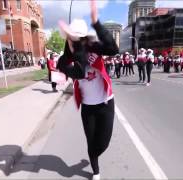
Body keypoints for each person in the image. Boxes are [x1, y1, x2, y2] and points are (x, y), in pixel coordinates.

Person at [57, 1, 118, 179]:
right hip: (88, 107)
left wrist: (96, 23)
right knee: (91, 143)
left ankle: (94, 156)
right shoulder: (67, 56)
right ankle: (96, 171)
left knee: (103, 143)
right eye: (73, 38)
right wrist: (70, 48)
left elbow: (113, 49)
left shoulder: (94, 47)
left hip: (106, 103)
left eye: (80, 38)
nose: (78, 41)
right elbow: (79, 72)